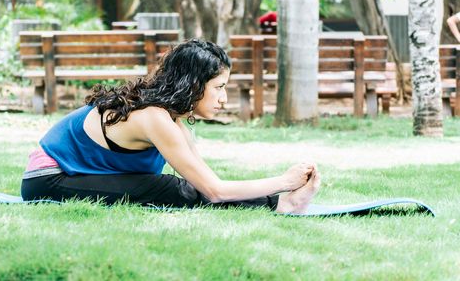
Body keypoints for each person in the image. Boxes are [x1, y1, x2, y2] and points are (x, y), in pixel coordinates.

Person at [21, 39, 321, 213]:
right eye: (219, 87)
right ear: (193, 84)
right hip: (49, 178)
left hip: (74, 173)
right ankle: (283, 204)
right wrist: (283, 183)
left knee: (177, 188)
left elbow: (207, 182)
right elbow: (215, 191)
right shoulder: (155, 117)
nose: (224, 98)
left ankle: (280, 203)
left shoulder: (172, 118)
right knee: (163, 188)